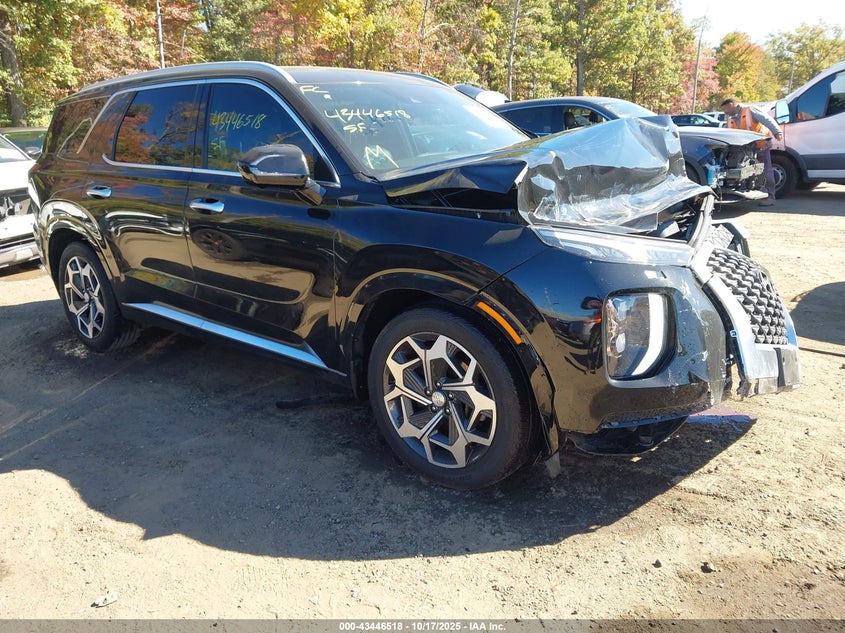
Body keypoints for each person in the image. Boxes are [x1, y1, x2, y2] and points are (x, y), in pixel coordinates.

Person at [720, 98, 784, 206]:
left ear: (731, 105)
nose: (724, 112)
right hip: (745, 150)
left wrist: (777, 132)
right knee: (749, 172)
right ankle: (750, 193)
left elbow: (767, 119)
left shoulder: (750, 110)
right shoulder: (731, 119)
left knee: (765, 171)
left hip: (760, 146)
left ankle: (770, 196)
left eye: (725, 108)